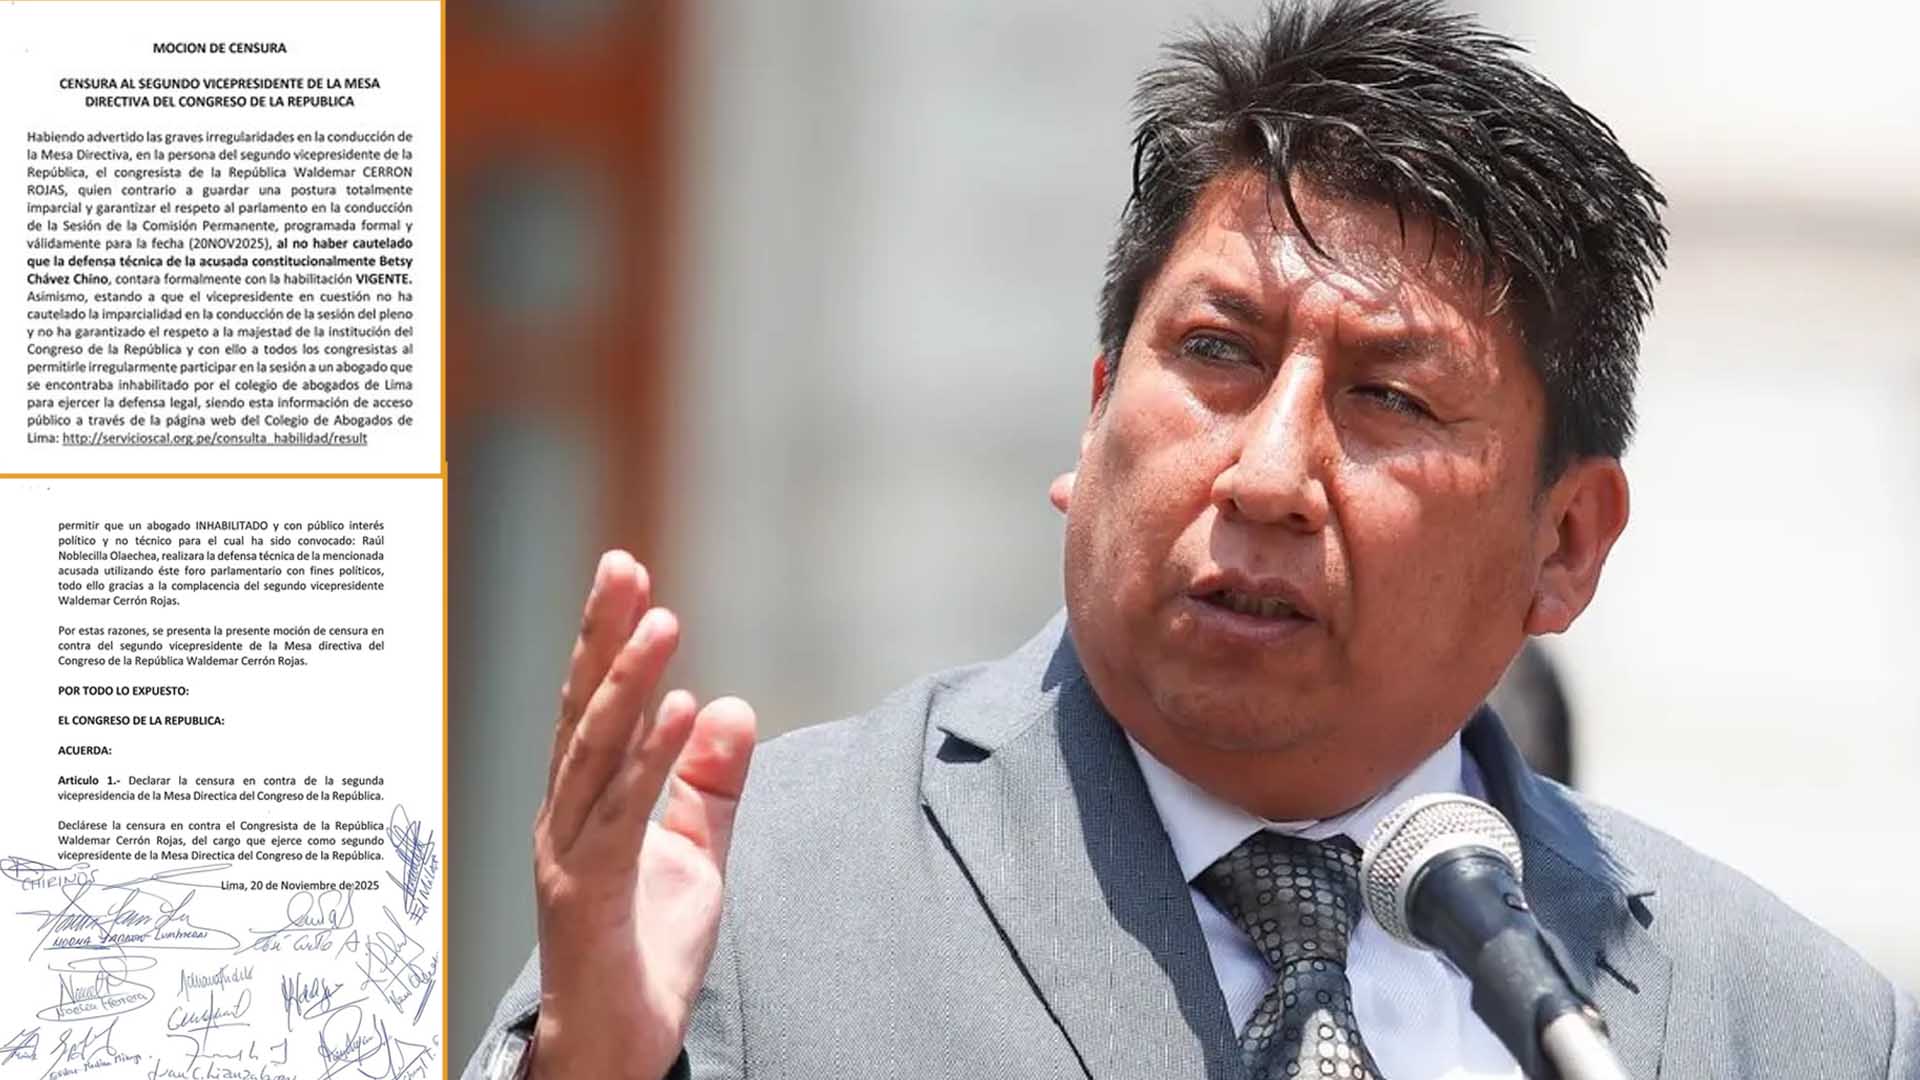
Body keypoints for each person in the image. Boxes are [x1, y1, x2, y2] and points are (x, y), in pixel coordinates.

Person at [466, 2, 1920, 1078]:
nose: (1269, 472)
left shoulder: (1783, 1027)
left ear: (1568, 543)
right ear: (1096, 416)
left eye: (1388, 396)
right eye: (1217, 354)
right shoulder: (760, 903)